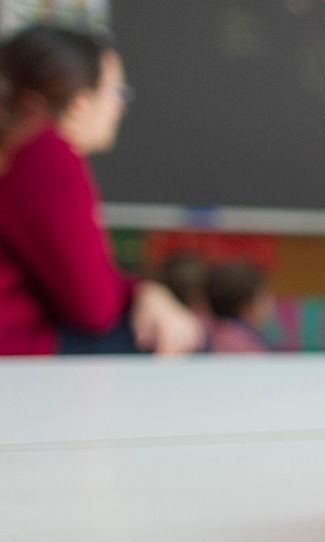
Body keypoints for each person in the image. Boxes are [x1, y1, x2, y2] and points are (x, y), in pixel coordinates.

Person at [0, 25, 201, 355]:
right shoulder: (44, 152)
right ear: (79, 102)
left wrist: (143, 290)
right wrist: (145, 293)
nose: (120, 107)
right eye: (117, 93)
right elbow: (94, 309)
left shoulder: (18, 146)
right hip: (15, 352)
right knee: (185, 335)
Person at [205, 261, 273, 353]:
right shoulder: (242, 346)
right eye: (264, 297)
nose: (271, 303)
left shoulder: (212, 330)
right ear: (246, 306)